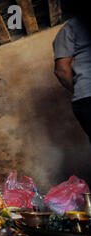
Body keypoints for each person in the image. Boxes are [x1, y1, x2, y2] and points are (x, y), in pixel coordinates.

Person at [53, 12, 91, 143]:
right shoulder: (71, 27)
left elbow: (61, 70)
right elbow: (61, 71)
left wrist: (80, 91)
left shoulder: (70, 28)